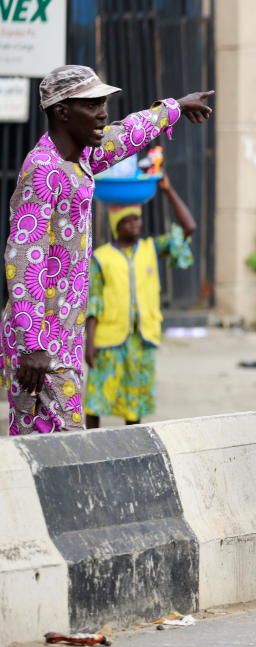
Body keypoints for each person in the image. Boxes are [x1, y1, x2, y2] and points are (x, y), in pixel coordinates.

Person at [1, 64, 213, 436]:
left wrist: (174, 107)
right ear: (62, 112)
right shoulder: (43, 170)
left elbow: (125, 134)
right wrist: (33, 343)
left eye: (104, 103)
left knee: (38, 446)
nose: (103, 113)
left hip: (64, 333)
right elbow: (23, 257)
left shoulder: (80, 159)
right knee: (63, 444)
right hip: (42, 339)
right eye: (93, 105)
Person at [83, 170, 197, 428]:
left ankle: (134, 444)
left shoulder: (150, 249)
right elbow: (94, 302)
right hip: (108, 340)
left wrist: (167, 190)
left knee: (134, 402)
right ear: (117, 225)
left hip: (141, 338)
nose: (136, 224)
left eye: (138, 219)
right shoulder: (101, 258)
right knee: (96, 398)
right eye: (129, 220)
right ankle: (88, 442)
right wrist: (89, 343)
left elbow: (189, 227)